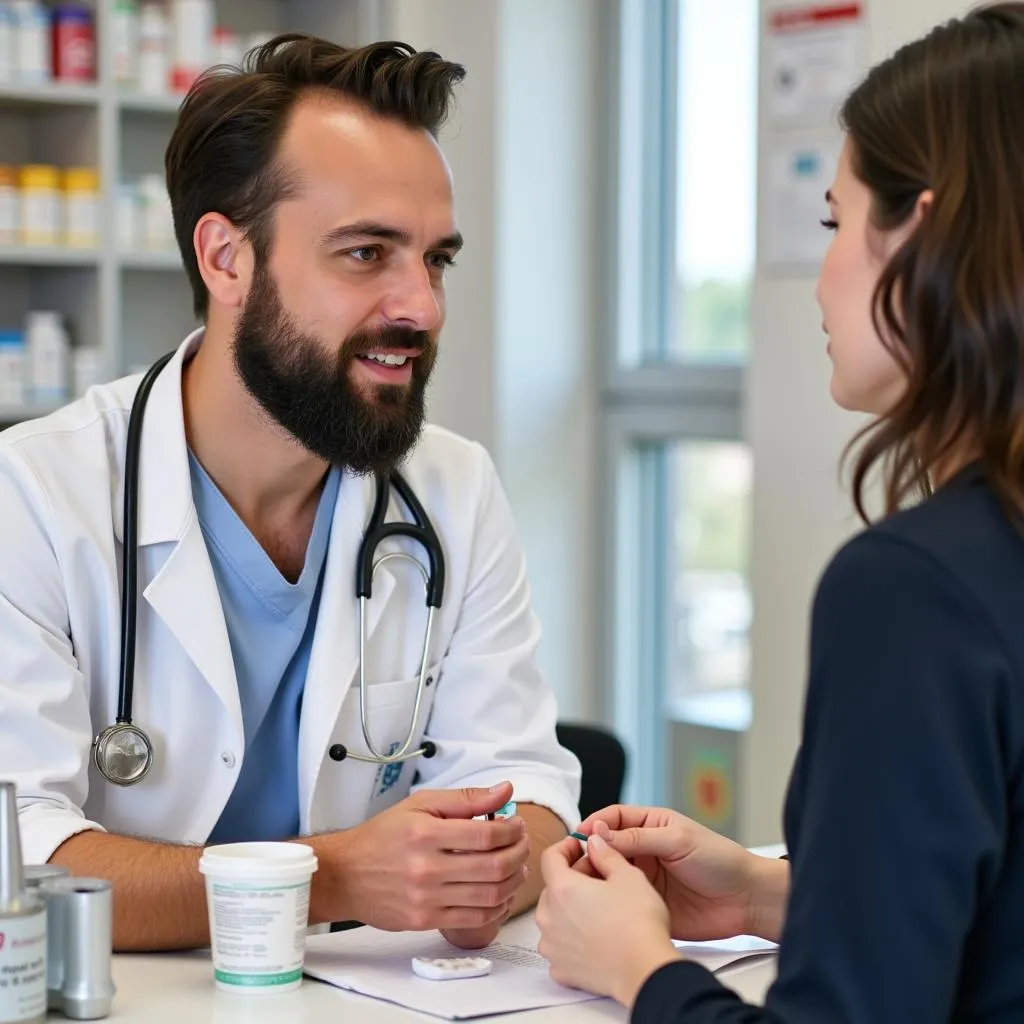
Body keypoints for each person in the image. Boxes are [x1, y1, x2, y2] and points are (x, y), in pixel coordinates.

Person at [0, 34, 580, 953]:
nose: (421, 307)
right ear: (227, 259)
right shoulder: (33, 496)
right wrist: (338, 873)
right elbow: (18, 862)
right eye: (365, 254)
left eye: (436, 260)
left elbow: (532, 791)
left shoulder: (453, 490)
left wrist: (485, 859)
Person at [535, 4, 1024, 1020]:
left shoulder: (917, 589)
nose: (822, 275)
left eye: (835, 222)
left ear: (922, 235)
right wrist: (772, 892)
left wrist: (637, 964)